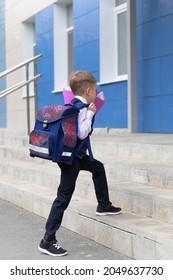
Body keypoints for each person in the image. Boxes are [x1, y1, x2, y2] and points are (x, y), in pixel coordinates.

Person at [38, 70, 121, 257]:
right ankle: (47, 240)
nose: (96, 92)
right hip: (72, 159)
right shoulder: (82, 108)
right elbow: (82, 133)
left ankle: (104, 205)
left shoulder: (71, 102)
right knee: (63, 197)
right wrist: (91, 113)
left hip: (76, 155)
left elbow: (70, 88)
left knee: (97, 168)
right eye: (95, 89)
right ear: (89, 90)